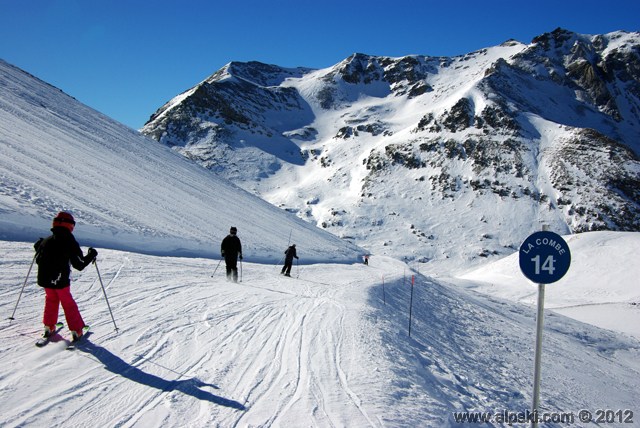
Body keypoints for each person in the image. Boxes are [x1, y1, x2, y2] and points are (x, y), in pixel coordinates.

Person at [34, 212, 97, 341]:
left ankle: (48, 326)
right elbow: (79, 264)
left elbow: (38, 259)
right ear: (70, 225)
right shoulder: (69, 241)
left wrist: (38, 246)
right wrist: (92, 254)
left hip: (45, 279)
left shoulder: (46, 240)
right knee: (68, 303)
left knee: (51, 299)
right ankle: (76, 330)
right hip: (60, 280)